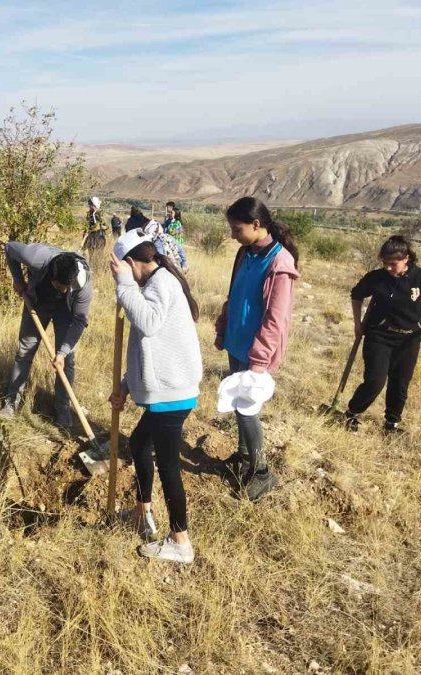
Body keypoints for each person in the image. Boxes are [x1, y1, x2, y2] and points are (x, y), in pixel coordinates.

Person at [108, 229, 202, 564]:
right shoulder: (154, 284)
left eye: (121, 268)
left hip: (172, 393)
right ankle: (143, 512)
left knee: (169, 466)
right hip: (167, 389)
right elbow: (147, 347)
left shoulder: (161, 283)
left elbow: (146, 324)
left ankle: (180, 541)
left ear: (131, 261)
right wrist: (125, 384)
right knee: (138, 443)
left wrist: (124, 284)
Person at [214, 196, 299, 501]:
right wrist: (223, 327)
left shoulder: (280, 263)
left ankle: (262, 472)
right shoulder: (245, 253)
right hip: (236, 343)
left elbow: (276, 318)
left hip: (256, 353)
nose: (233, 235)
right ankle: (243, 457)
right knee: (238, 404)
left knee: (247, 410)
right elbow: (233, 295)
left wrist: (259, 360)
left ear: (257, 225)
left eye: (237, 229)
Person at [344, 235, 421, 433]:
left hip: (409, 339)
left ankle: (392, 423)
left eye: (392, 264)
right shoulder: (376, 277)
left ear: (407, 259)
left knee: (400, 383)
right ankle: (352, 413)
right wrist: (357, 323)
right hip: (379, 335)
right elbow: (356, 294)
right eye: (385, 263)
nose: (388, 268)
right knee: (375, 381)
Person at [0, 241, 93, 427]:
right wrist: (18, 279)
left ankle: (62, 407)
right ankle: (12, 402)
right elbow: (9, 248)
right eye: (61, 286)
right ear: (51, 276)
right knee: (24, 352)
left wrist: (63, 352)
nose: (65, 290)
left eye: (68, 287)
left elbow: (79, 321)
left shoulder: (83, 284)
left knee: (66, 361)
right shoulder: (36, 257)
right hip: (37, 304)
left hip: (66, 312)